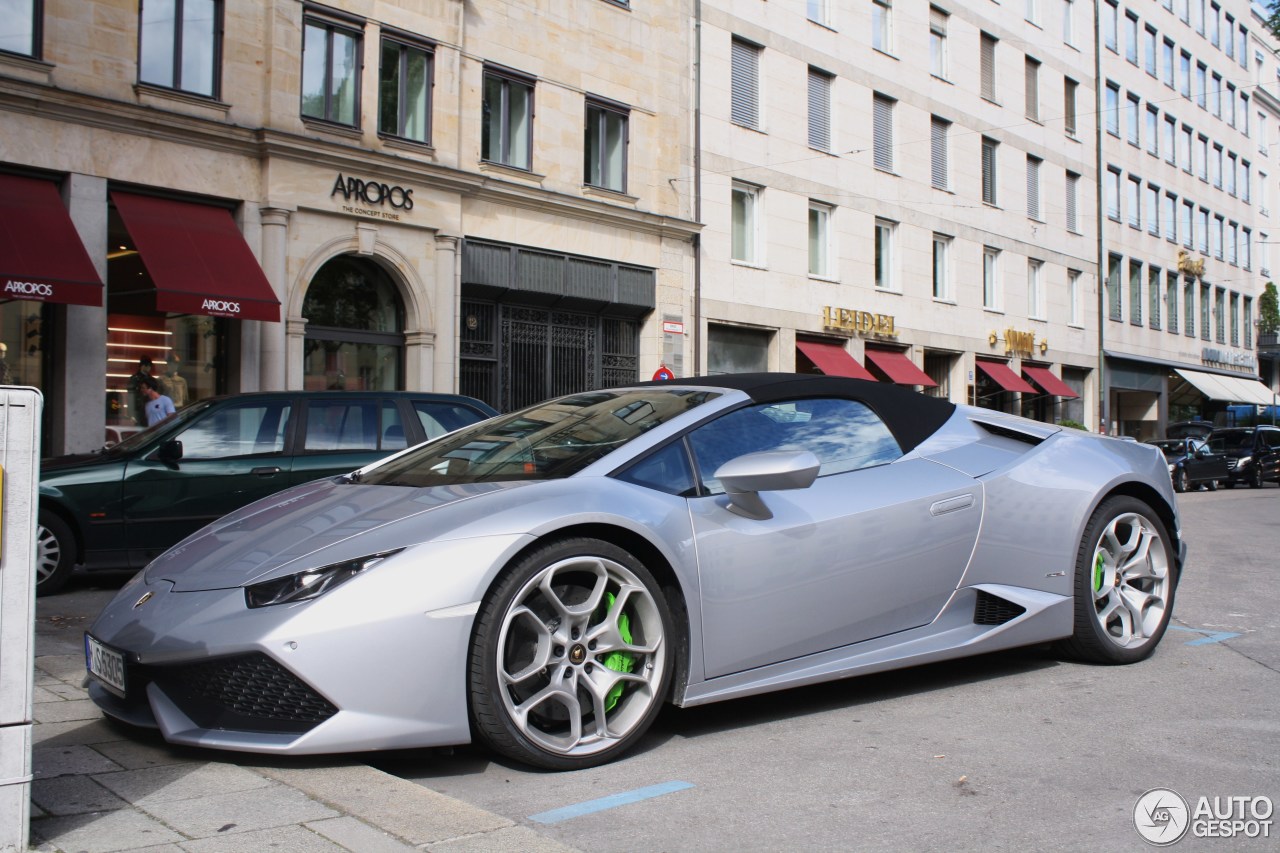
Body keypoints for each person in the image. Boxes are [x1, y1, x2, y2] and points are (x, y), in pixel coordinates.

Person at [126, 356, 154, 425]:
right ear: (142, 366)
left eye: (149, 366)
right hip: (138, 408)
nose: (148, 368)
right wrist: (130, 412)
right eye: (146, 365)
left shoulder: (152, 380)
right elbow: (130, 396)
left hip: (149, 407)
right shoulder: (134, 379)